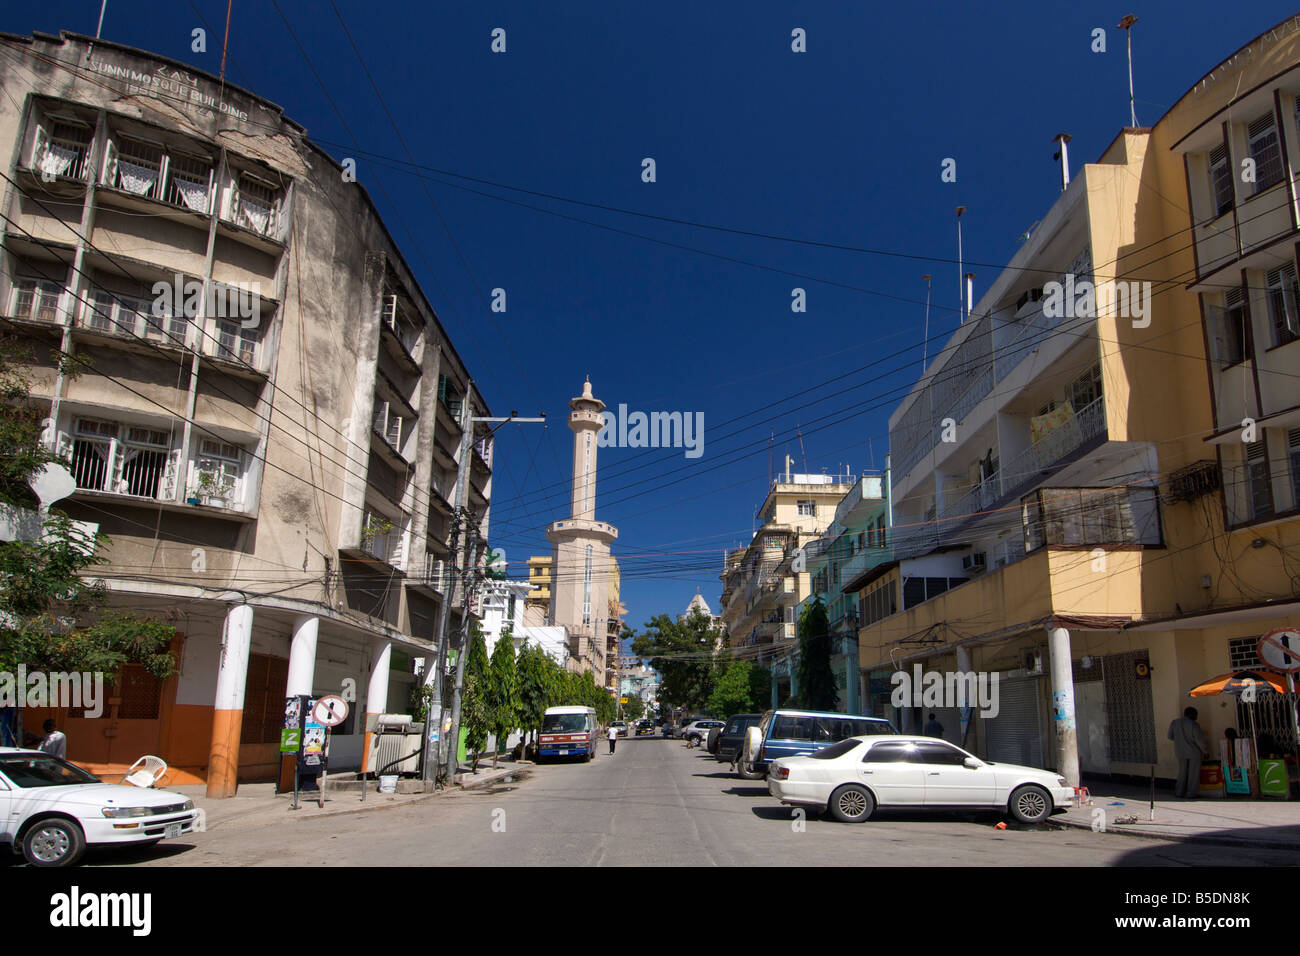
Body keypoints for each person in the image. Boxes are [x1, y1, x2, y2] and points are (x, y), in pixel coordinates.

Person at [1168, 706, 1208, 798]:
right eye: (1195, 714)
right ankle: (1191, 793)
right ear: (1191, 714)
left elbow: (1170, 736)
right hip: (1194, 753)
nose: (1196, 717)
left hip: (1180, 752)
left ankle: (1179, 792)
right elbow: (1199, 740)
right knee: (1193, 774)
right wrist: (1205, 751)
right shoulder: (1194, 724)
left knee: (1182, 772)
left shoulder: (1174, 722)